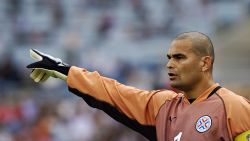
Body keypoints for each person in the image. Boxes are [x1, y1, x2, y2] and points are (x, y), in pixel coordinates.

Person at [27, 32, 250, 141]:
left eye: (179, 57)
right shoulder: (163, 106)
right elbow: (112, 92)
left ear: (205, 63)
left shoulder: (234, 108)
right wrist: (67, 70)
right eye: (169, 57)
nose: (169, 64)